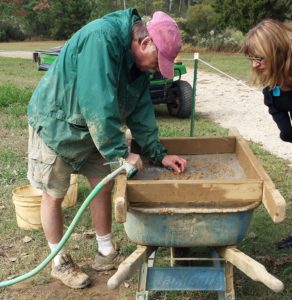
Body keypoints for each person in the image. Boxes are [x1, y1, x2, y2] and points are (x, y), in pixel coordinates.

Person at [27, 8, 187, 289]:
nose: (155, 68)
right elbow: (96, 102)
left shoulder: (139, 65)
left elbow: (140, 109)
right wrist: (120, 152)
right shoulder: (101, 38)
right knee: (54, 193)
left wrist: (159, 154)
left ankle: (105, 252)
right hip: (57, 123)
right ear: (145, 42)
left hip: (95, 130)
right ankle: (59, 261)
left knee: (103, 183)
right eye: (156, 61)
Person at [243, 19, 292, 250]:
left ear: (275, 52)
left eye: (259, 58)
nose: (255, 65)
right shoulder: (273, 82)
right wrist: (288, 133)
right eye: (252, 59)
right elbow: (275, 106)